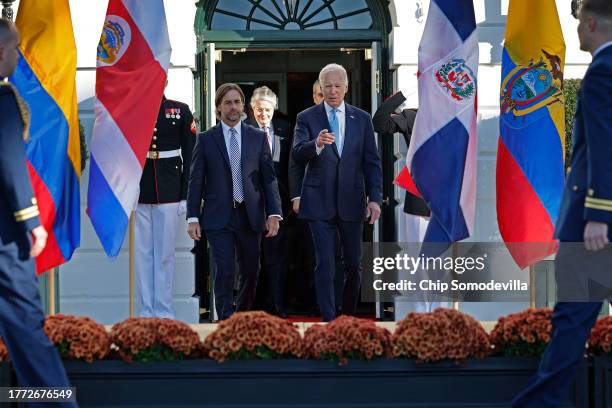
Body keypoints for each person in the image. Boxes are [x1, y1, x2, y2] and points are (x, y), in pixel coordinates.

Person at [513, 1, 612, 406]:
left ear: (590, 22)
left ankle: (539, 404)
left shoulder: (603, 69)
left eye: (577, 23)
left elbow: (604, 146)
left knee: (571, 320)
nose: (576, 33)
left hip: (595, 228)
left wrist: (598, 213)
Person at [0, 19, 77, 407]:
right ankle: (56, 404)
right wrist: (31, 221)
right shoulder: (4, 101)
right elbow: (11, 163)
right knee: (26, 329)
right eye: (14, 49)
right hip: (4, 240)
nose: (17, 56)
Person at [292, 64, 383, 322]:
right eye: (327, 86)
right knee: (326, 263)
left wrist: (375, 199)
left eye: (337, 85)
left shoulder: (362, 119)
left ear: (346, 87)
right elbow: (297, 154)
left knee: (354, 264)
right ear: (321, 87)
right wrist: (316, 145)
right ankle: (329, 319)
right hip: (318, 202)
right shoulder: (306, 117)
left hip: (352, 201)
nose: (332, 91)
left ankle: (348, 316)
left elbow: (372, 163)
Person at [187, 83, 282, 320]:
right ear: (219, 107)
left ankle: (242, 316)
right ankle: (226, 319)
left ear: (243, 106)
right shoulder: (206, 139)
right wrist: (192, 217)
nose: (233, 107)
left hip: (250, 214)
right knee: (225, 269)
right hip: (218, 216)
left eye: (237, 102)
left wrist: (274, 213)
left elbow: (269, 178)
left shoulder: (257, 138)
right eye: (227, 102)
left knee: (252, 270)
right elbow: (195, 180)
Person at [135, 92, 196, 319]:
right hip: (141, 187)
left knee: (164, 255)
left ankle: (163, 310)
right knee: (142, 256)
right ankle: (144, 311)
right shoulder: (133, 108)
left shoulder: (179, 110)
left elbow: (191, 155)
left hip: (170, 187)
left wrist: (185, 195)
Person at [289, 78, 346, 317]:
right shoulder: (306, 121)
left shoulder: (348, 119)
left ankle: (340, 305)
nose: (325, 97)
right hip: (314, 202)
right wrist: (297, 195)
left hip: (344, 202)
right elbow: (295, 162)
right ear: (315, 96)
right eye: (319, 94)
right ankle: (323, 307)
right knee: (319, 258)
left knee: (343, 258)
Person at [248, 86, 292, 317]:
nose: (263, 114)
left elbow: (292, 165)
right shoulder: (244, 130)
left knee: (277, 259)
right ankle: (253, 308)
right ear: (252, 109)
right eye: (258, 109)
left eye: (267, 109)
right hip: (252, 203)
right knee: (253, 258)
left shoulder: (285, 129)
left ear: (274, 109)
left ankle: (277, 307)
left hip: (280, 203)